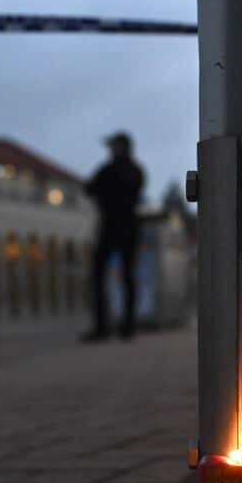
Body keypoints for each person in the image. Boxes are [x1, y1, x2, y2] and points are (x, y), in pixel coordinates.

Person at [83, 131, 146, 341]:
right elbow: (90, 188)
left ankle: (122, 327)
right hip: (115, 226)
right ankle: (112, 326)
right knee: (109, 276)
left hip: (121, 226)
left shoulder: (126, 170)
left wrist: (105, 193)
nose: (110, 150)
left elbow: (94, 188)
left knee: (124, 277)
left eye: (113, 146)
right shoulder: (117, 169)